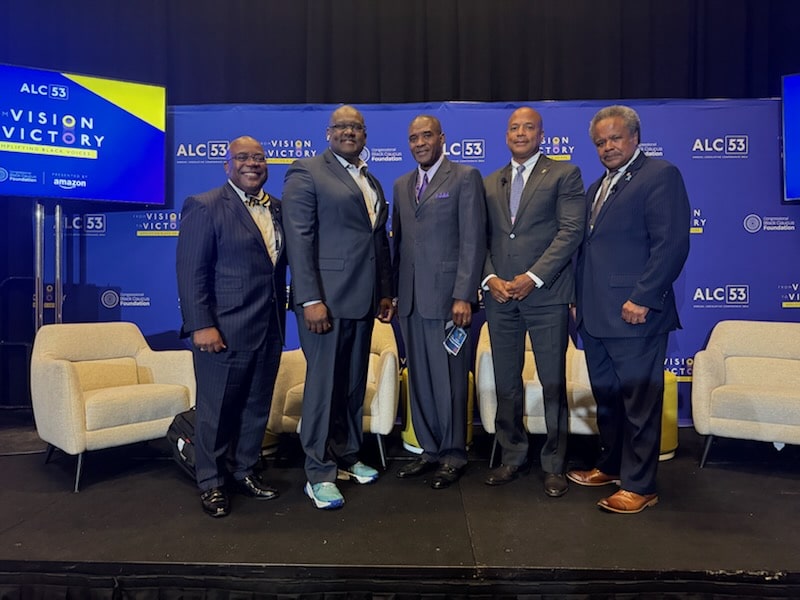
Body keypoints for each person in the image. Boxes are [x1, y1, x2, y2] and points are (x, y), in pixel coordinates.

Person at [567, 105, 690, 514]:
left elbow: (671, 244)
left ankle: (640, 485)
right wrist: (577, 299)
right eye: (600, 142)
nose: (607, 147)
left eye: (615, 138)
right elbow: (588, 252)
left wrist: (643, 297)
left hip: (636, 313)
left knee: (640, 404)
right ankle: (612, 466)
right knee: (609, 401)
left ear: (635, 137)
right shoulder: (596, 187)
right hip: (596, 317)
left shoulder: (660, 175)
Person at [282, 105, 395, 510]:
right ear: (328, 133)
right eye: (342, 126)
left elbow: (376, 240)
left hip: (363, 300)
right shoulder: (306, 171)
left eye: (356, 127)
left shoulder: (371, 180)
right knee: (324, 387)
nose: (349, 132)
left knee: (351, 385)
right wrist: (310, 298)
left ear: (365, 135)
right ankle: (318, 471)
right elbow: (298, 237)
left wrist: (385, 292)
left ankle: (346, 455)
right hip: (324, 302)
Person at [176, 135, 287, 518]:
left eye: (258, 157)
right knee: (216, 411)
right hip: (222, 331)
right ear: (227, 165)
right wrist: (201, 325)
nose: (251, 163)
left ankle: (244, 471)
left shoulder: (278, 208)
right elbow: (191, 273)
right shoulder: (204, 206)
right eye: (242, 157)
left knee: (256, 407)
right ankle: (211, 481)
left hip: (269, 328)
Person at [482, 106, 585, 497]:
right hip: (500, 297)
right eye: (514, 128)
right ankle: (512, 455)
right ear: (506, 136)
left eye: (528, 127)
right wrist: (489, 278)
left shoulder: (564, 174)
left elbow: (570, 231)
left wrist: (533, 277)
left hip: (547, 295)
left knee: (552, 382)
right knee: (507, 383)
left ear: (542, 135)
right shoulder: (490, 182)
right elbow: (479, 237)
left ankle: (555, 463)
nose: (520, 133)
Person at [392, 115, 486, 489]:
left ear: (442, 138)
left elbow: (473, 240)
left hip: (449, 300)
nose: (419, 143)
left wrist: (464, 294)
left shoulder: (464, 177)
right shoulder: (401, 184)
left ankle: (453, 454)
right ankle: (429, 450)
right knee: (420, 380)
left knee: (449, 381)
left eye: (426, 135)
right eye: (413, 137)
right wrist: (394, 294)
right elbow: (400, 244)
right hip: (411, 301)